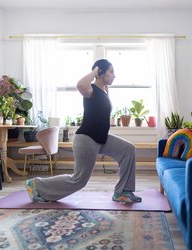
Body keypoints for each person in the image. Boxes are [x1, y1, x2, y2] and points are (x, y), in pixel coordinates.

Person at [25, 59, 142, 204]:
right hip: (87, 139)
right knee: (79, 180)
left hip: (101, 138)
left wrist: (102, 78)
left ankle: (123, 192)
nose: (114, 75)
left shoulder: (104, 91)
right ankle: (36, 185)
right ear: (100, 72)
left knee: (128, 149)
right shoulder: (90, 90)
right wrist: (94, 71)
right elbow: (80, 85)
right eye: (111, 71)